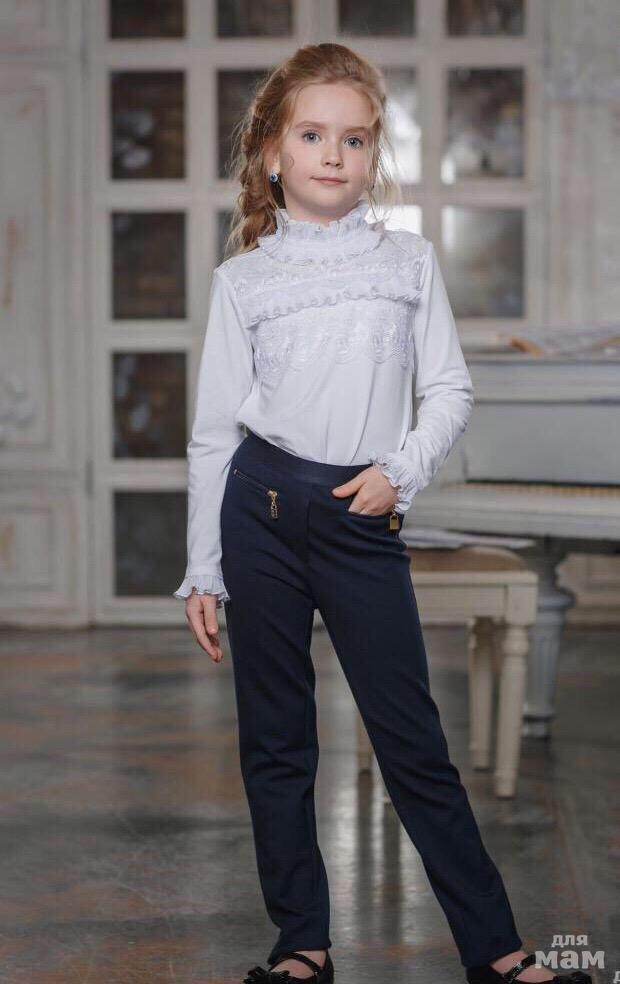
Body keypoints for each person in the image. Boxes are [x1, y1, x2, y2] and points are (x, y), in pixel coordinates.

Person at [173, 43, 592, 984]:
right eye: (312, 136)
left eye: (354, 139)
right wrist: (203, 567)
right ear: (272, 153)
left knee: (413, 743)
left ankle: (498, 952)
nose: (333, 154)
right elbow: (213, 434)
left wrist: (399, 473)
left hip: (362, 517)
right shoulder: (244, 281)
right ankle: (302, 947)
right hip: (259, 511)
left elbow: (449, 390)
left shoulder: (407, 263)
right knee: (276, 742)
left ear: (373, 154)